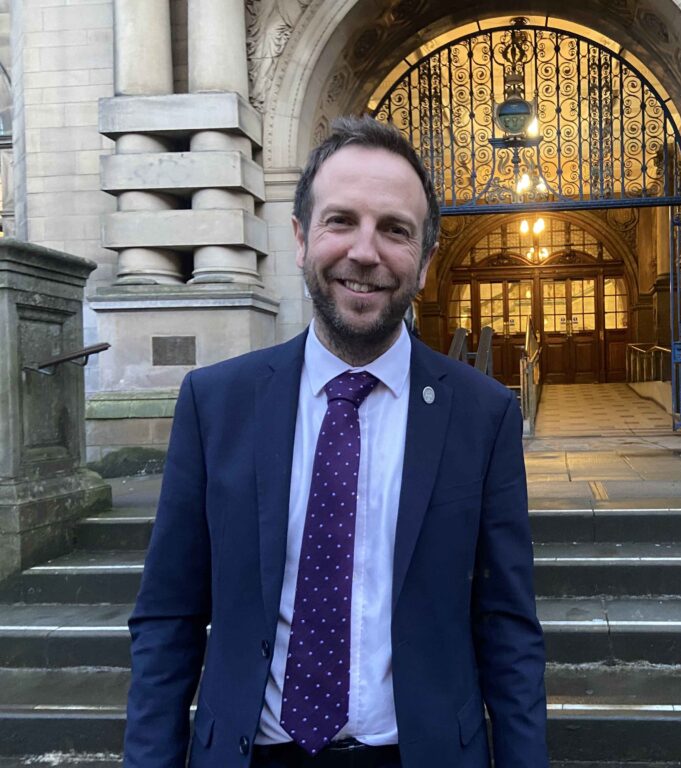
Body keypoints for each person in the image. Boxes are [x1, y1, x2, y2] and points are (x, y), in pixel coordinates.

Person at [124, 115, 549, 768]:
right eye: (341, 220)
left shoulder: (483, 415)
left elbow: (508, 632)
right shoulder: (216, 405)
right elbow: (168, 620)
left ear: (427, 261)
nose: (365, 252)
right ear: (300, 238)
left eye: (395, 230)